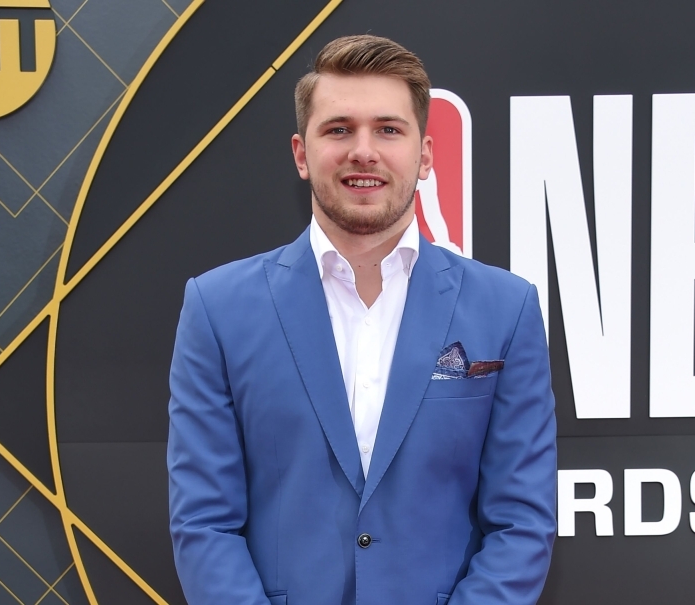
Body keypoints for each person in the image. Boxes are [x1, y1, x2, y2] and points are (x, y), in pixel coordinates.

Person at [167, 34, 557, 605]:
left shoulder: (506, 308)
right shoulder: (217, 308)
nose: (364, 151)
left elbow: (523, 522)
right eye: (339, 129)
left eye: (389, 129)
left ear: (425, 155)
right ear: (302, 154)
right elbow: (203, 523)